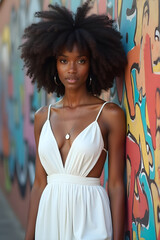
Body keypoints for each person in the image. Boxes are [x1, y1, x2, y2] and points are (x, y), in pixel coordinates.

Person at [20, 1, 127, 239]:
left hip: (91, 219)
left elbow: (117, 186)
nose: (71, 69)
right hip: (49, 221)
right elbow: (39, 184)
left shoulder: (109, 115)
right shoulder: (42, 117)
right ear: (52, 63)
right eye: (63, 60)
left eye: (81, 60)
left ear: (93, 63)